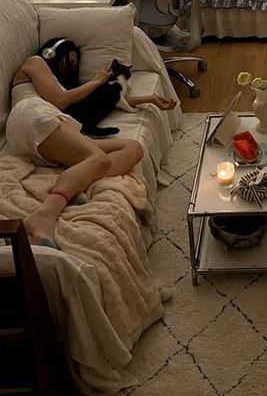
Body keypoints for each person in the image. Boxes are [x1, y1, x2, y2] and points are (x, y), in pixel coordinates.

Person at [6, 38, 177, 247]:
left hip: (45, 127)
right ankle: (43, 216)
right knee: (99, 159)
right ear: (52, 52)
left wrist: (149, 98)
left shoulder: (61, 86)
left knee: (133, 148)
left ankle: (77, 182)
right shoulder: (35, 62)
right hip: (32, 117)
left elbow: (101, 100)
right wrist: (95, 81)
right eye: (67, 60)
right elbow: (60, 100)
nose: (70, 66)